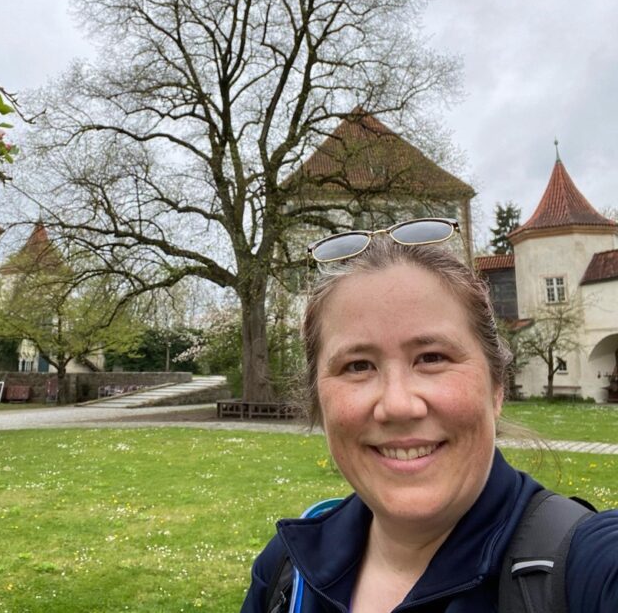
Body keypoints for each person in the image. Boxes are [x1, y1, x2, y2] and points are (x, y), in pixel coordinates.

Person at [241, 218, 618, 613]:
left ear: (496, 387)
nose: (399, 405)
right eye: (357, 366)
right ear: (317, 398)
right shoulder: (285, 569)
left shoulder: (585, 568)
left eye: (432, 358)